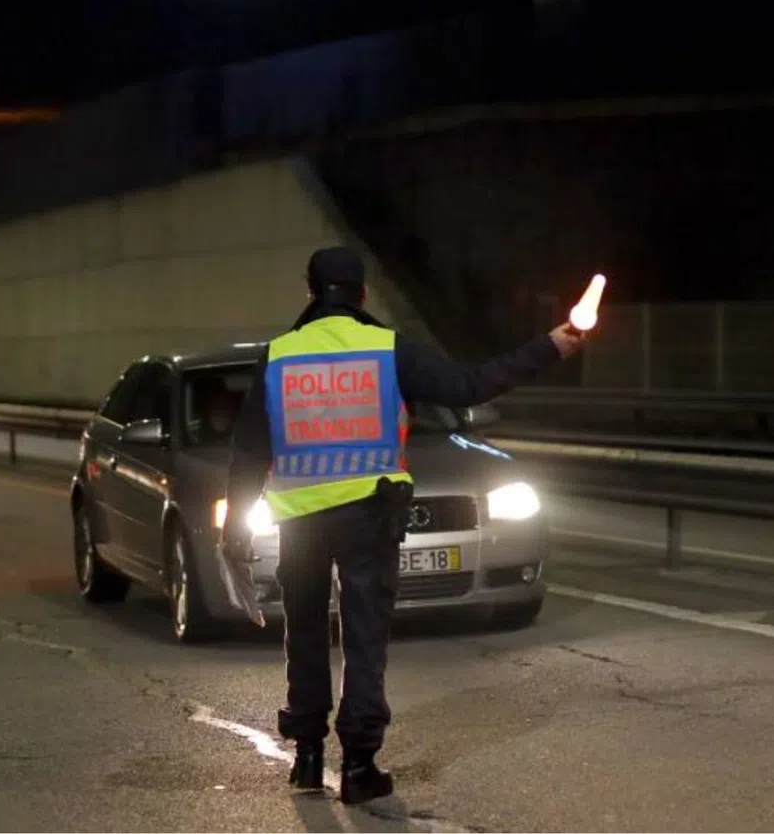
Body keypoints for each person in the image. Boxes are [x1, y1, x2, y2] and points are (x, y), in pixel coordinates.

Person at [221, 245, 585, 804]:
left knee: (307, 632)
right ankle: (361, 766)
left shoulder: (279, 356)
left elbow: (248, 449)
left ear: (310, 293)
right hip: (369, 514)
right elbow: (470, 385)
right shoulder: (387, 349)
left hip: (299, 519)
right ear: (363, 293)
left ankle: (308, 756)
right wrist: (552, 345)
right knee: (365, 636)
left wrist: (233, 533)